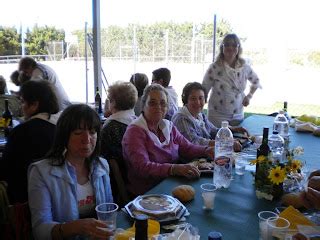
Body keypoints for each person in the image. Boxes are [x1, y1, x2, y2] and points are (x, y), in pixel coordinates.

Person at [28, 104, 113, 240]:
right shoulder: (41, 172)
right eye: (78, 133)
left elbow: (108, 211)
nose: (87, 139)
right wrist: (75, 227)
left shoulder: (101, 166)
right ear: (64, 136)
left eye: (92, 132)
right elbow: (40, 230)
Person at [122, 84, 214, 196]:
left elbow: (187, 147)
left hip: (172, 183)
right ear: (143, 106)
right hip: (148, 193)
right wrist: (174, 169)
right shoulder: (134, 131)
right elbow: (142, 167)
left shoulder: (168, 127)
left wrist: (207, 150)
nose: (158, 107)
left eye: (163, 103)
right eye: (152, 103)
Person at [1, 80, 59, 204]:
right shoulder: (62, 127)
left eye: (22, 102)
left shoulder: (21, 132)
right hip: (59, 194)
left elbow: (5, 169)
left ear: (34, 105)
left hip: (26, 198)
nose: (21, 107)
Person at [202, 33, 261, 127]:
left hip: (237, 114)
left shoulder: (244, 67)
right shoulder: (214, 67)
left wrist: (249, 96)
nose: (230, 48)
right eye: (227, 45)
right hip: (217, 115)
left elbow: (256, 81)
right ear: (222, 48)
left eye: (234, 45)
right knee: (217, 140)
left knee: (238, 139)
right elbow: (204, 89)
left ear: (239, 48)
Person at [172, 82, 248, 151]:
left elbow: (213, 131)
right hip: (188, 162)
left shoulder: (200, 115)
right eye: (193, 99)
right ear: (186, 100)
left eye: (201, 98)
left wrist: (233, 129)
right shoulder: (181, 118)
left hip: (204, 154)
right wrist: (225, 143)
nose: (198, 102)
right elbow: (194, 142)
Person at [101, 81, 137, 206]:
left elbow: (112, 163)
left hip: (120, 185)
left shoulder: (109, 128)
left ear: (113, 103)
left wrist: (123, 195)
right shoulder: (138, 122)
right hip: (138, 178)